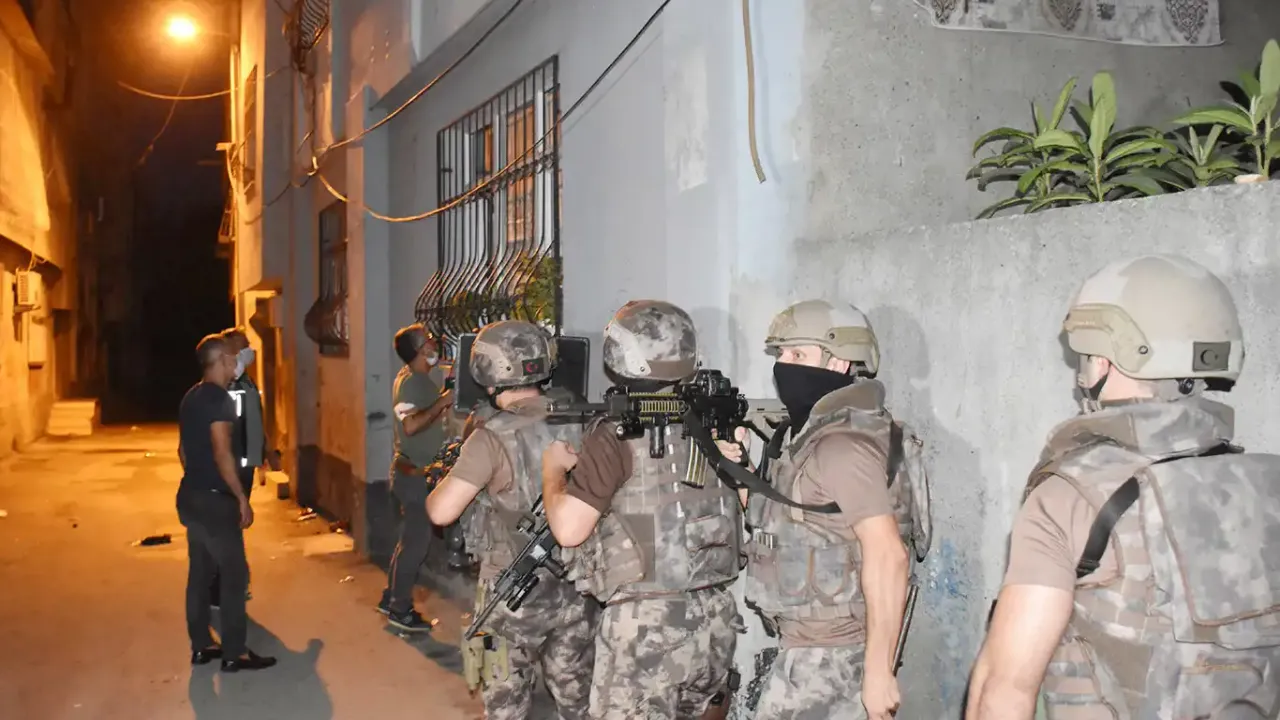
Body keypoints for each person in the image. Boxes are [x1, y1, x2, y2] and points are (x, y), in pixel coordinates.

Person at [966, 255, 1280, 719]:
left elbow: (1003, 692)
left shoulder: (1070, 494)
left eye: (1087, 355)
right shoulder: (1266, 487)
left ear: (1105, 358)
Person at [718, 300, 930, 720]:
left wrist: (878, 672)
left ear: (839, 362)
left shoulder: (843, 445)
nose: (784, 365)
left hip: (834, 656)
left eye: (798, 354)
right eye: (781, 353)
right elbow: (786, 521)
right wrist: (742, 471)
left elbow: (889, 555)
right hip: (808, 649)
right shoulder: (811, 435)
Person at [540, 300, 744, 719]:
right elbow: (745, 508)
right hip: (715, 619)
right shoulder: (713, 423)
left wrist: (552, 472)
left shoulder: (616, 435)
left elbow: (569, 529)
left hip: (645, 628)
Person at [426, 320, 596, 720]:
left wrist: (445, 477)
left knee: (505, 706)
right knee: (579, 703)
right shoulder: (583, 420)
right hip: (576, 587)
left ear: (486, 371)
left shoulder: (489, 436)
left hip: (510, 592)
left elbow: (440, 511)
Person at [176, 334, 276, 672]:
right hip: (216, 502)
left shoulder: (191, 396)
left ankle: (201, 645)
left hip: (191, 497)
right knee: (234, 576)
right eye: (232, 357)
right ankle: (235, 653)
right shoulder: (220, 399)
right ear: (220, 360)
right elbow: (222, 453)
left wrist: (198, 478)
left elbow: (183, 451)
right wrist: (240, 497)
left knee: (200, 573)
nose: (237, 362)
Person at [377, 323, 455, 632]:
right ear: (420, 350)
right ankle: (400, 610)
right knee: (415, 545)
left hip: (413, 473)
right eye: (428, 339)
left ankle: (390, 598)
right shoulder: (411, 383)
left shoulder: (418, 378)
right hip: (414, 477)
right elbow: (410, 426)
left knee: (408, 541)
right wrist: (443, 402)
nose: (434, 342)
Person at [209, 328, 280, 609]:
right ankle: (221, 589)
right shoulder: (224, 386)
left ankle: (231, 584)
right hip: (230, 468)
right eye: (242, 347)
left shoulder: (245, 381)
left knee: (234, 525)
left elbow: (254, 420)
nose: (249, 351)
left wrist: (266, 451)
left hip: (245, 464)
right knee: (228, 527)